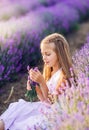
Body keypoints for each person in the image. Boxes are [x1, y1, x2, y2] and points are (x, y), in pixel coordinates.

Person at [0, 33, 72, 130]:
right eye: (43, 54)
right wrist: (35, 87)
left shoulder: (63, 76)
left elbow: (51, 103)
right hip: (45, 107)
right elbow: (44, 100)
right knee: (18, 107)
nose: (44, 57)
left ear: (59, 54)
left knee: (27, 122)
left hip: (53, 114)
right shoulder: (51, 72)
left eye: (48, 54)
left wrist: (42, 83)